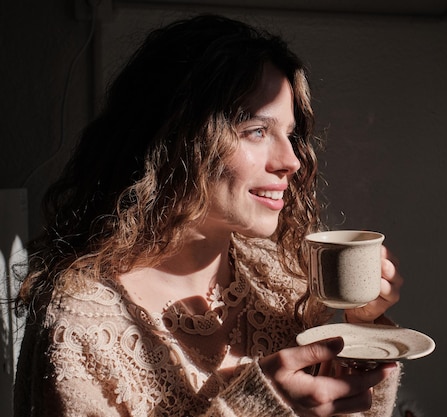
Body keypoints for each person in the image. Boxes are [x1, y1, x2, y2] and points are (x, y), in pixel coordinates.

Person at [13, 14, 404, 417]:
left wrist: (363, 327)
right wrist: (257, 408)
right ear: (177, 138)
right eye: (256, 130)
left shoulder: (284, 282)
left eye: (290, 135)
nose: (291, 161)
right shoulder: (79, 321)